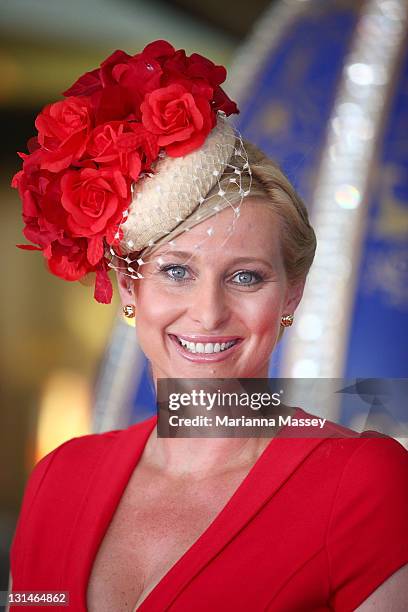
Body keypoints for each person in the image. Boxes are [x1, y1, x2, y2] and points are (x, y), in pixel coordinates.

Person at [8, 40, 408, 611]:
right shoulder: (59, 480)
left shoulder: (365, 483)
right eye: (176, 271)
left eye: (245, 278)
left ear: (291, 292)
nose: (208, 312)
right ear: (130, 286)